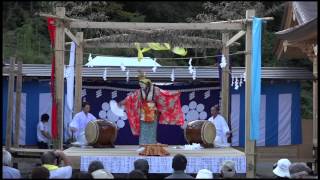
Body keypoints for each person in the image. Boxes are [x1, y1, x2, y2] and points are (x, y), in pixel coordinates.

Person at [119, 72, 184, 145]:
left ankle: (152, 144)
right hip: (143, 112)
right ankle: (143, 144)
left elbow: (165, 94)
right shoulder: (139, 92)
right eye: (140, 85)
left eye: (142, 84)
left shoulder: (155, 90)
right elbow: (130, 98)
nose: (141, 86)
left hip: (153, 112)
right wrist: (122, 102)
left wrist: (174, 94)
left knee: (152, 129)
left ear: (147, 84)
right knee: (143, 129)